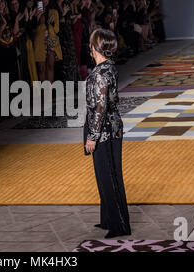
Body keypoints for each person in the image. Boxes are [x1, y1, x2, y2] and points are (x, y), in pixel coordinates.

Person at [84, 28, 131, 238]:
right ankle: (107, 219)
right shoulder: (109, 67)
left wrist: (92, 136)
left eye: (91, 42)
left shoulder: (99, 74)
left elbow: (100, 108)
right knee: (105, 176)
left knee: (108, 177)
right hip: (113, 127)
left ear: (96, 47)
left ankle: (119, 225)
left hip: (104, 132)